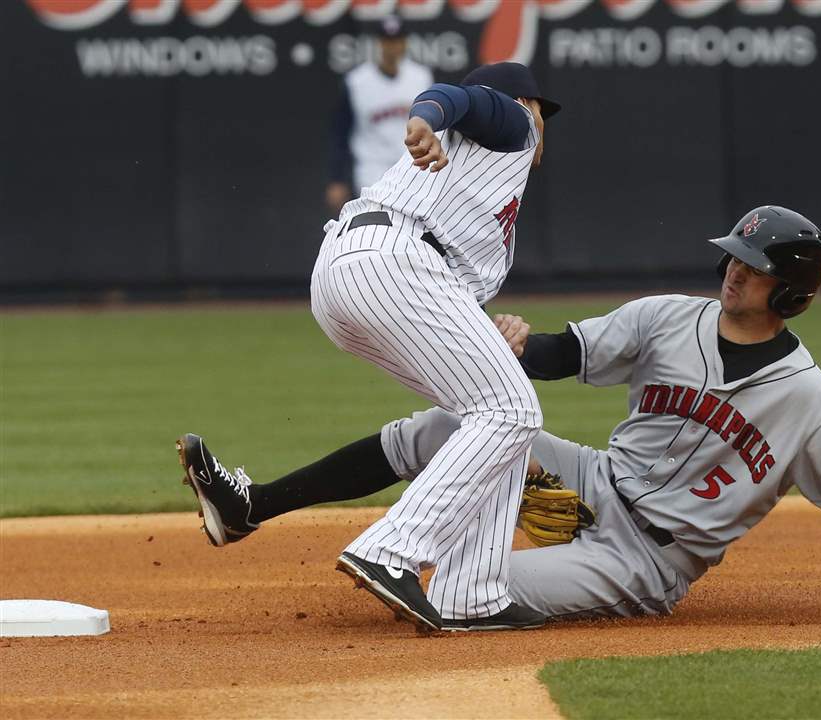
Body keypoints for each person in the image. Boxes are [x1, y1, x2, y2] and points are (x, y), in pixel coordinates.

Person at [177, 206, 821, 628]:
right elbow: (564, 352)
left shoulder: (809, 399)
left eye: (756, 266)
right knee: (443, 425)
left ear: (791, 293)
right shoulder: (668, 318)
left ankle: (467, 589)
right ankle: (251, 507)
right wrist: (510, 341)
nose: (736, 270)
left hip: (649, 560)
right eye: (736, 256)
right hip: (593, 485)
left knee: (460, 597)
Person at [179, 62, 561, 634]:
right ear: (524, 103)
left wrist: (489, 334)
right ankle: (391, 549)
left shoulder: (485, 181)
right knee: (509, 409)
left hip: (354, 272)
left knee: (492, 413)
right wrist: (426, 119)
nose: (542, 124)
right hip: (391, 261)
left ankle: (473, 593)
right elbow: (453, 97)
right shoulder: (514, 122)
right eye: (539, 108)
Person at [325, 16, 433, 212]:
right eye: (388, 41)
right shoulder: (357, 81)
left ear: (405, 42)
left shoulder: (421, 77)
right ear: (380, 43)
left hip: (412, 166)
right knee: (376, 228)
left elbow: (435, 127)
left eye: (397, 40)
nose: (393, 46)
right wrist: (337, 178)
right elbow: (340, 133)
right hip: (372, 169)